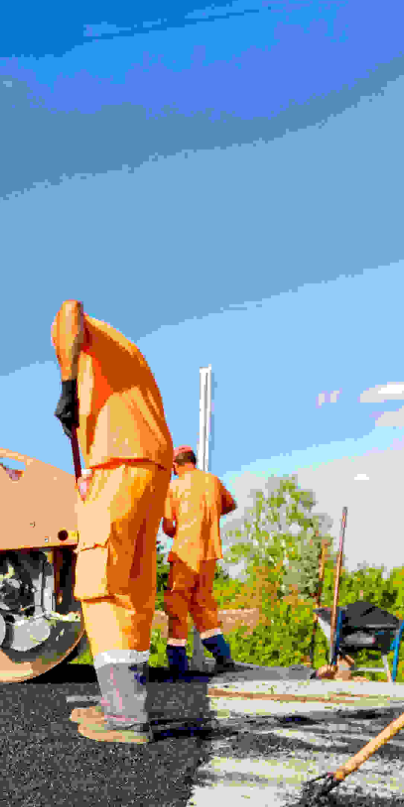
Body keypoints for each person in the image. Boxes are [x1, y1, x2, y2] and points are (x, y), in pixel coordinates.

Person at [53, 300, 174, 742]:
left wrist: (67, 388)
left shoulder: (82, 334)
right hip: (151, 469)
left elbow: (69, 310)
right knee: (133, 587)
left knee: (100, 585)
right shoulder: (122, 353)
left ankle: (124, 719)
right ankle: (123, 704)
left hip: (118, 465)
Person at [162, 446, 245, 679]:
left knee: (177, 606)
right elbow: (230, 505)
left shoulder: (174, 487)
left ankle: (177, 666)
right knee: (203, 604)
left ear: (175, 465)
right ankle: (223, 657)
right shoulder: (213, 481)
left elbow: (168, 527)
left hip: (185, 553)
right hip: (210, 552)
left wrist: (181, 531)